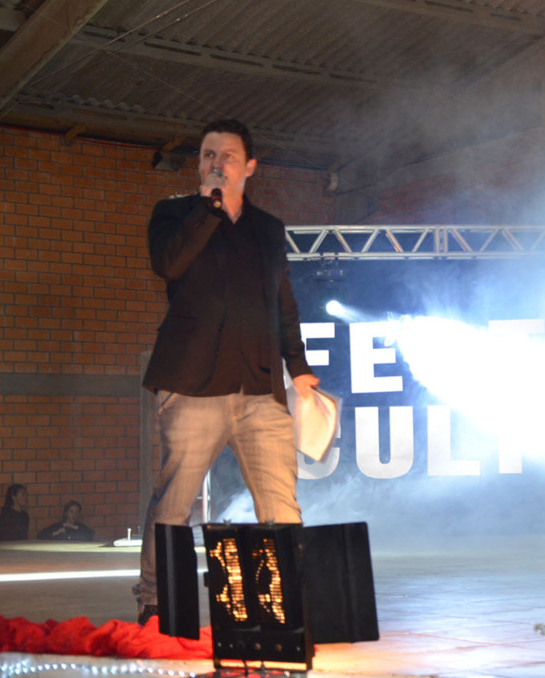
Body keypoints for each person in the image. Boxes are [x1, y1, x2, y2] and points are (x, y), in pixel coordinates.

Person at [134, 119, 318, 625]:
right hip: (193, 384)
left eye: (228, 156)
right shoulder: (173, 214)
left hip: (259, 387)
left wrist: (297, 369)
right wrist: (208, 208)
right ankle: (154, 600)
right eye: (208, 154)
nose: (217, 162)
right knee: (174, 502)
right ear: (199, 164)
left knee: (281, 503)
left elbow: (284, 303)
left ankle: (287, 606)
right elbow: (168, 265)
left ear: (249, 167)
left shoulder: (268, 229)